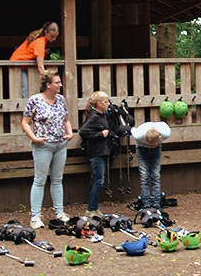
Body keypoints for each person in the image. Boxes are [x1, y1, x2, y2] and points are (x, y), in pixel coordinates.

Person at [21, 69, 75, 229]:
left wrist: (70, 132)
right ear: (48, 85)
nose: (60, 85)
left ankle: (59, 212)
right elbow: (25, 122)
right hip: (43, 146)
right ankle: (35, 216)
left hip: (60, 144)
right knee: (39, 180)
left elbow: (66, 120)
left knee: (58, 179)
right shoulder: (35, 100)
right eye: (57, 82)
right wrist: (34, 138)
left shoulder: (61, 99)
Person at [78, 91, 132, 219]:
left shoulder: (102, 115)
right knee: (98, 181)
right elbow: (83, 131)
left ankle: (94, 208)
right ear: (99, 103)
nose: (108, 103)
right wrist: (100, 134)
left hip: (102, 151)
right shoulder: (94, 117)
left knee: (99, 180)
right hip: (96, 152)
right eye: (106, 101)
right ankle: (91, 209)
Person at [10, 21, 60, 98]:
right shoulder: (39, 42)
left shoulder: (40, 40)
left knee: (26, 88)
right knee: (24, 89)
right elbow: (40, 67)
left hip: (22, 65)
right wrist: (49, 80)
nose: (54, 39)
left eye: (56, 36)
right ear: (46, 32)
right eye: (52, 36)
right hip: (17, 65)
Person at [131, 120, 172, 210]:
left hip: (156, 150)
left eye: (154, 144)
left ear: (159, 138)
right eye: (150, 144)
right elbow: (132, 129)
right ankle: (146, 205)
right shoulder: (138, 135)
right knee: (144, 175)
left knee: (156, 175)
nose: (151, 146)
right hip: (142, 149)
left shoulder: (165, 132)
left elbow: (164, 123)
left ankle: (156, 204)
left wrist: (155, 146)